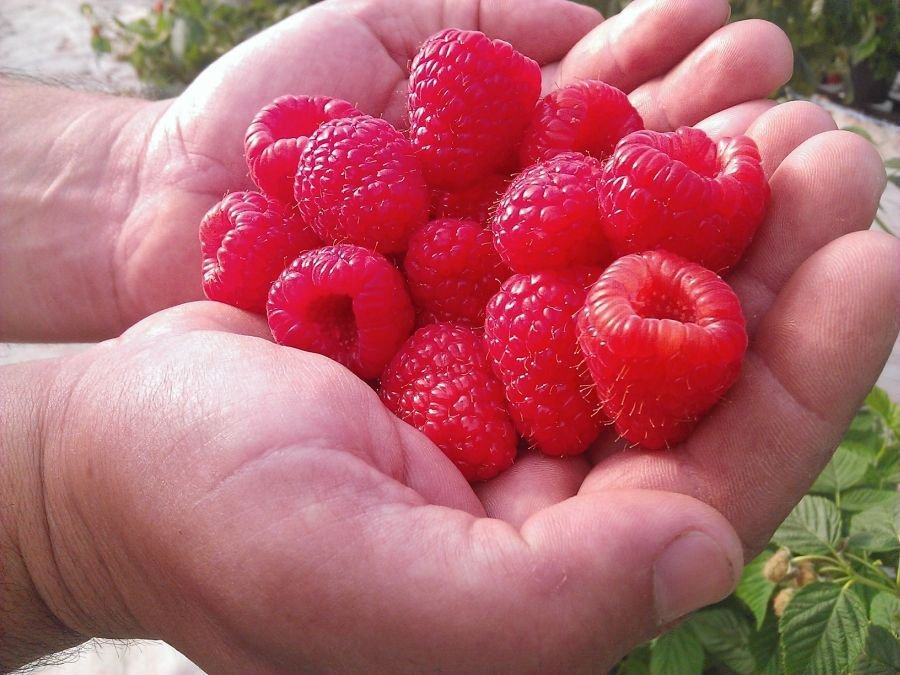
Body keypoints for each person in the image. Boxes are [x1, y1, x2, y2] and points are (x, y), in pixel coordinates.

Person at [1, 0, 897, 671]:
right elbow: (463, 253)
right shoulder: (404, 229)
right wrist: (56, 506)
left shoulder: (518, 241)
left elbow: (511, 254)